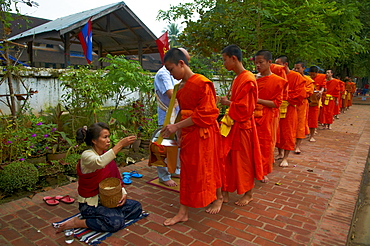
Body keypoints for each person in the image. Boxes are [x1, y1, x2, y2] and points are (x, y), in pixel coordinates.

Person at [161, 48, 221, 225]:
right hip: (188, 134)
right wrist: (178, 132)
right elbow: (181, 113)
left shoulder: (202, 83)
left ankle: (217, 197)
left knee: (210, 166)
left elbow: (207, 114)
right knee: (188, 172)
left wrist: (177, 127)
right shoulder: (180, 88)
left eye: (171, 69)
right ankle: (184, 211)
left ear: (181, 63)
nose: (171, 74)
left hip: (205, 134)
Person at [55, 122, 144, 233]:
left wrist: (123, 193)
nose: (108, 140)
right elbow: (100, 162)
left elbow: (114, 178)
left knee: (136, 208)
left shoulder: (107, 154)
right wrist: (120, 144)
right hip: (90, 204)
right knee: (116, 223)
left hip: (108, 200)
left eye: (109, 137)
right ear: (94, 140)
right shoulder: (87, 155)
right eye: (105, 137)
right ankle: (77, 222)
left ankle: (108, 216)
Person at [219, 45, 263, 206]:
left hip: (243, 126)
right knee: (227, 159)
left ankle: (249, 193)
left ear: (234, 58)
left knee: (243, 161)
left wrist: (228, 103)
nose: (224, 64)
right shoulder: (239, 78)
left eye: (225, 60)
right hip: (233, 125)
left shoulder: (248, 79)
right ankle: (226, 192)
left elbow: (245, 108)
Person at [153, 48, 190, 187]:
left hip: (178, 115)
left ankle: (174, 169)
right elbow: (171, 94)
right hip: (167, 116)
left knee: (177, 144)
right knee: (163, 146)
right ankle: (164, 175)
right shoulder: (164, 73)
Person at [254, 50, 287, 183]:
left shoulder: (278, 81)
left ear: (269, 62)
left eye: (260, 62)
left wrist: (258, 100)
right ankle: (252, 170)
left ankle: (263, 171)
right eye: (256, 63)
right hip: (252, 115)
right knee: (251, 145)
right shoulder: (253, 79)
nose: (258, 65)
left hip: (268, 117)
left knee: (266, 145)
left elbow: (276, 103)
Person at [275, 55, 306, 167]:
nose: (275, 66)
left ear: (285, 65)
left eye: (278, 64)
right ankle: (279, 153)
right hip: (277, 108)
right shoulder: (276, 76)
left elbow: (301, 94)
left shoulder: (296, 77)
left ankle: (285, 157)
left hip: (289, 108)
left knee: (288, 132)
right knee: (277, 131)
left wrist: (286, 98)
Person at [293, 61, 314, 154]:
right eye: (295, 68)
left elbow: (308, 92)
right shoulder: (291, 78)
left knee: (300, 124)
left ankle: (298, 146)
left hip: (302, 104)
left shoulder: (308, 80)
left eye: (298, 68)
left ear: (303, 68)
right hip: (291, 104)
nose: (296, 70)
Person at [307, 66, 326, 142]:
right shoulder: (307, 78)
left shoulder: (321, 77)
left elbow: (323, 87)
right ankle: (307, 131)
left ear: (316, 73)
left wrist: (321, 91)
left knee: (314, 118)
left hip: (316, 99)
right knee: (306, 117)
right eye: (311, 74)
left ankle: (312, 135)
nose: (312, 76)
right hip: (307, 99)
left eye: (313, 74)